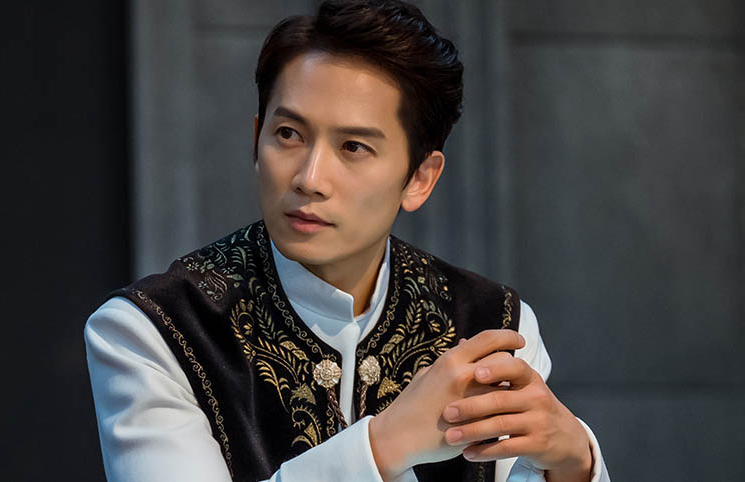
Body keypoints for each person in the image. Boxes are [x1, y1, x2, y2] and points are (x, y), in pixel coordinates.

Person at [85, 1, 610, 481]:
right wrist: (386, 443)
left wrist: (574, 463)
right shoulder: (153, 330)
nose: (309, 178)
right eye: (288, 135)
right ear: (256, 138)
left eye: (353, 146)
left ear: (420, 178)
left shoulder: (494, 324)